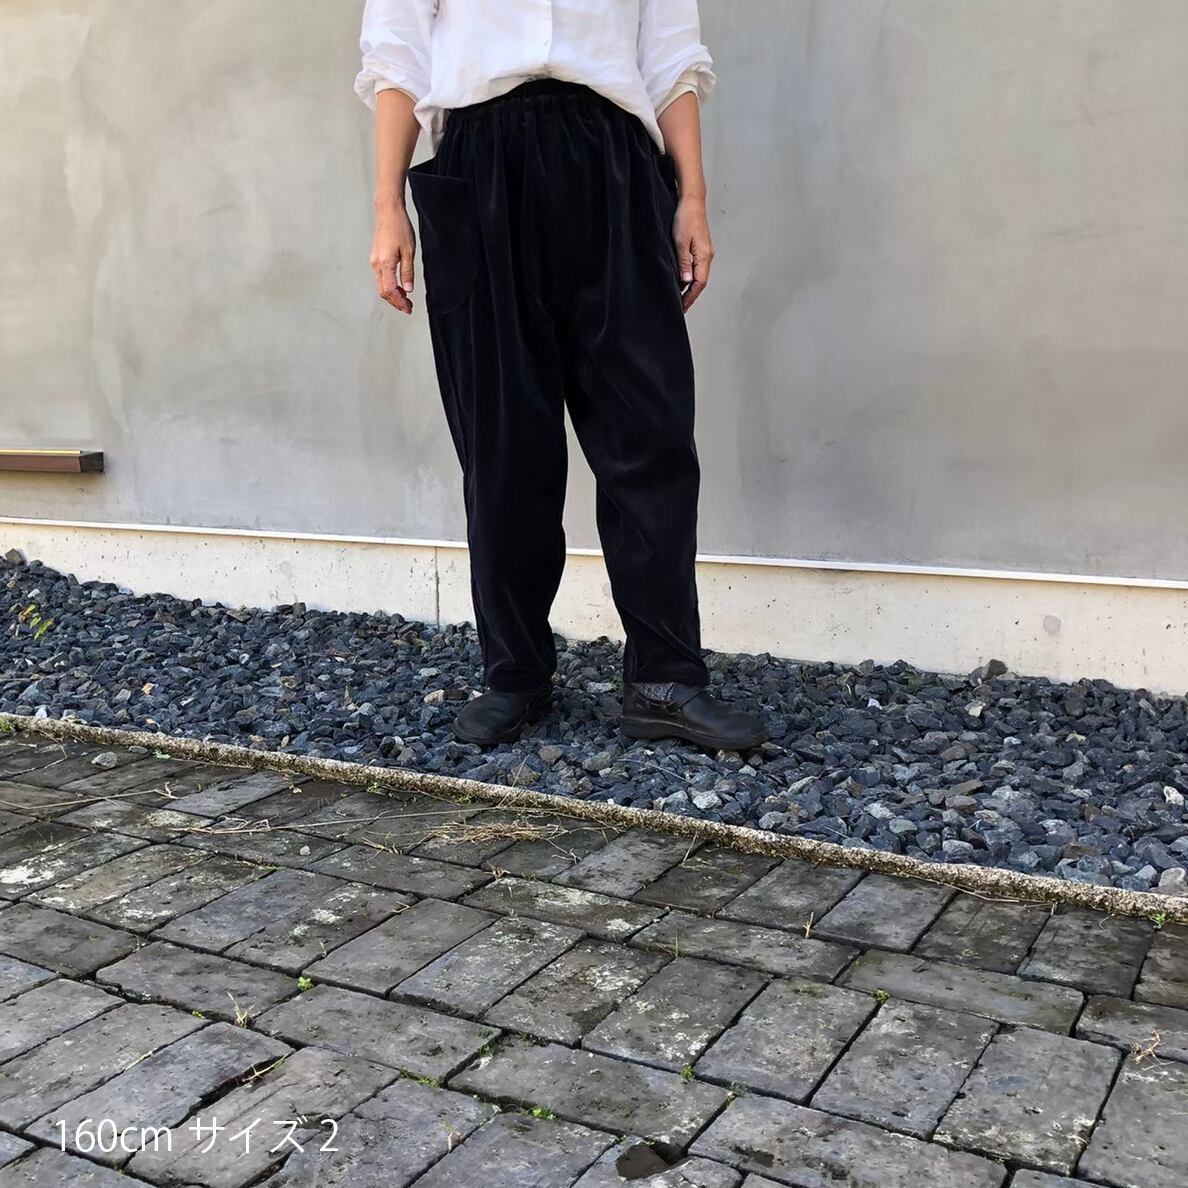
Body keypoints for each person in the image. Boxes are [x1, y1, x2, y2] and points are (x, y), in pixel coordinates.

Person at [356, 0, 766, 751]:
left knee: (650, 434)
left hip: (616, 163)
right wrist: (388, 207)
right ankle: (514, 675)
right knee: (503, 444)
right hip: (479, 165)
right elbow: (396, 54)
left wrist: (693, 199)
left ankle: (664, 680)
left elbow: (672, 60)